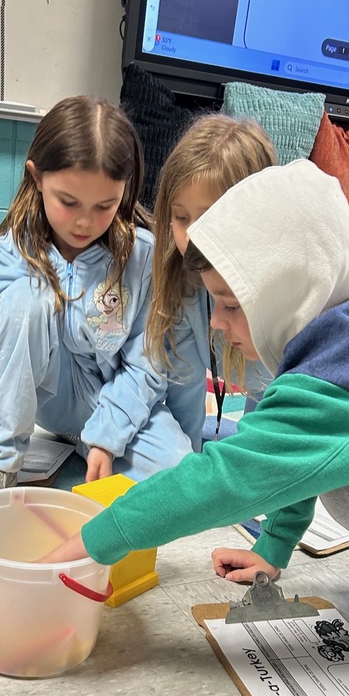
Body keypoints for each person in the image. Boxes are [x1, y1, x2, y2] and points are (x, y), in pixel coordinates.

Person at [42, 159, 349, 696]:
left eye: (229, 304)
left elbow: (234, 477)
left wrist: (95, 541)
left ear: (288, 294)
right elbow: (301, 457)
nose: (219, 323)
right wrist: (273, 548)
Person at [0, 95, 192, 514]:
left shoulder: (142, 256)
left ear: (125, 191)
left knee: (183, 478)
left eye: (105, 206)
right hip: (37, 402)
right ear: (36, 178)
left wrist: (105, 436)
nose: (84, 223)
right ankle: (2, 462)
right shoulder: (10, 252)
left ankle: (82, 443)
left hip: (107, 405)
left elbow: (148, 366)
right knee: (25, 300)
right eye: (69, 202)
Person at [146, 114, 277, 449]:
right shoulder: (180, 280)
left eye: (207, 218)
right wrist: (186, 466)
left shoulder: (278, 296)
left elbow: (270, 413)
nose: (191, 237)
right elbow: (183, 394)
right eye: (181, 217)